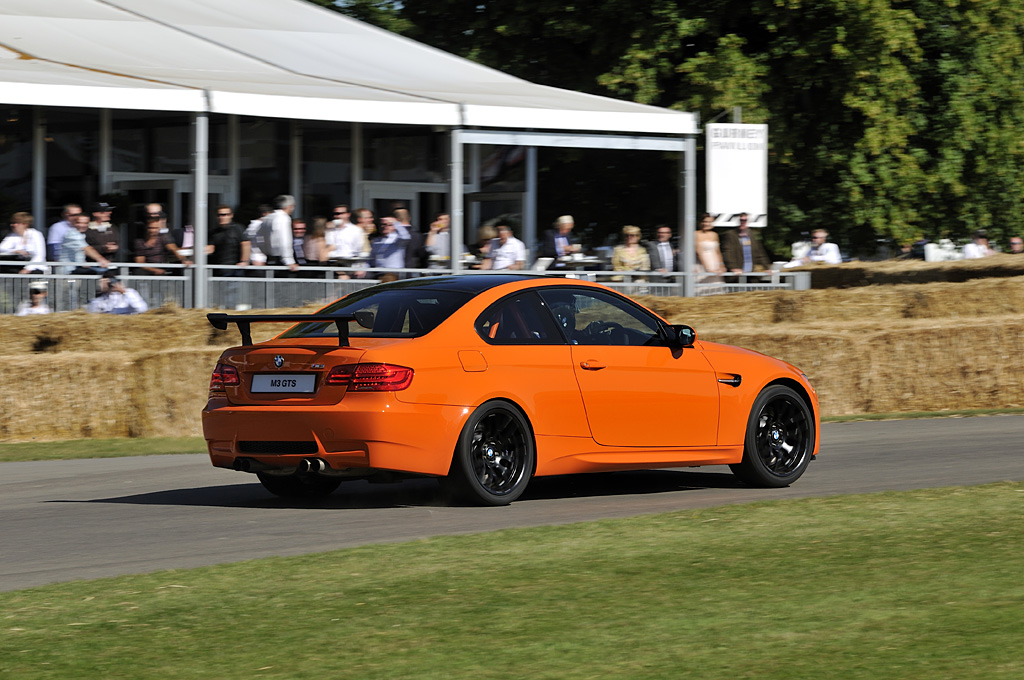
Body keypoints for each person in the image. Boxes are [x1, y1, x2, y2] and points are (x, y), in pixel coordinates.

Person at [255, 195, 299, 273]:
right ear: (289, 206)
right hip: (281, 260)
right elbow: (285, 239)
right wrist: (289, 260)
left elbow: (259, 238)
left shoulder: (267, 218)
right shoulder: (284, 218)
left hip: (269, 258)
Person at [694, 214, 726, 281]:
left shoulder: (715, 234)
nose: (707, 224)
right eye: (705, 221)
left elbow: (718, 252)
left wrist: (721, 265)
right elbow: (698, 252)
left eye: (709, 222)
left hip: (715, 264)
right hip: (702, 264)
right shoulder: (696, 234)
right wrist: (707, 268)